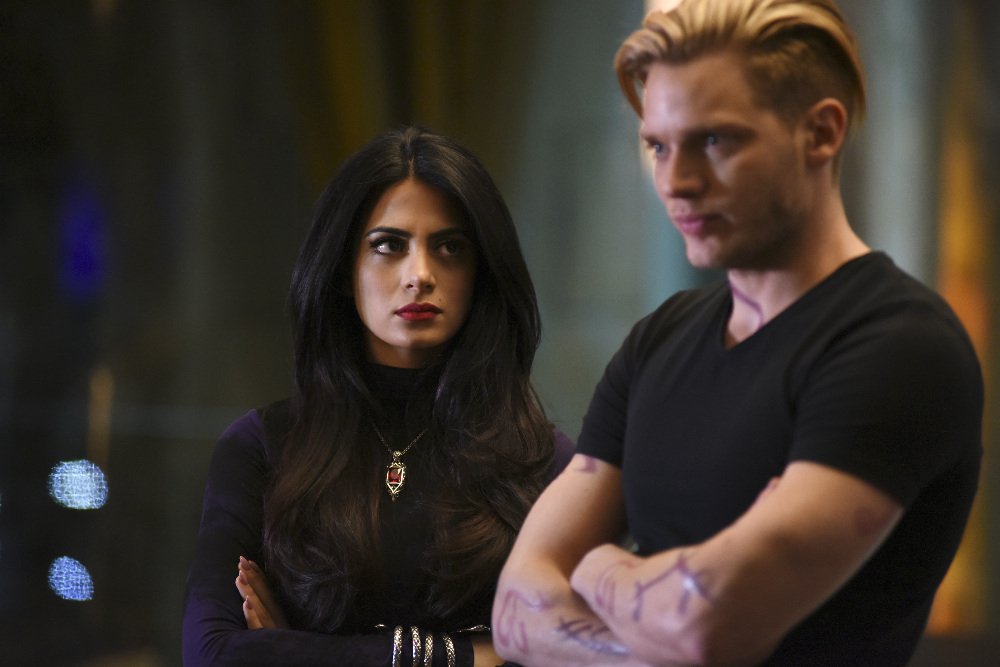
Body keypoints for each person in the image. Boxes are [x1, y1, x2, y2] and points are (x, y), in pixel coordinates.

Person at [492, 1, 983, 665]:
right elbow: (514, 611)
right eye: (658, 146)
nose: (676, 182)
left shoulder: (901, 346)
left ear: (821, 133)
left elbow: (706, 629)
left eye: (715, 141)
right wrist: (658, 613)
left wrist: (598, 567)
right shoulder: (658, 339)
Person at [182, 126, 574, 666]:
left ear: (481, 273)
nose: (420, 275)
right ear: (344, 269)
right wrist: (469, 655)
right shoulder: (261, 448)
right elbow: (213, 655)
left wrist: (293, 650)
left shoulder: (543, 463)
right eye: (389, 245)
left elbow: (577, 654)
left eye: (450, 247)